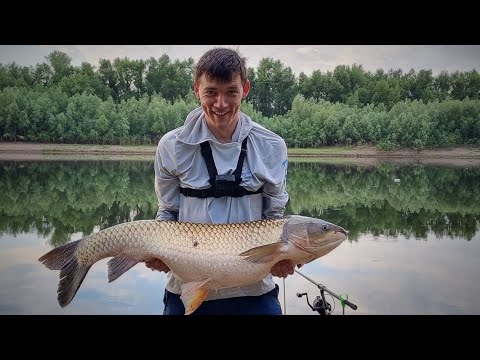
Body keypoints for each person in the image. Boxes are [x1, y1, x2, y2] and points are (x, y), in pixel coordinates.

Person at [145, 47, 297, 315]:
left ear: (245, 89)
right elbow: (167, 213)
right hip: (186, 284)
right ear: (196, 89)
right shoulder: (171, 146)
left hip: (253, 290)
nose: (221, 104)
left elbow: (275, 217)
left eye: (231, 92)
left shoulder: (271, 145)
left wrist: (283, 258)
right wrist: (160, 252)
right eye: (211, 92)